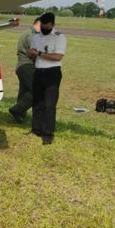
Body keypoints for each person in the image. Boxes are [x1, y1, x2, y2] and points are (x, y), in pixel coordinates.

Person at [27, 12, 66, 145]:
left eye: (47, 27)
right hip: (38, 71)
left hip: (52, 73)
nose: (44, 29)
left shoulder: (59, 37)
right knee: (37, 102)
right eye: (42, 26)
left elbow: (57, 57)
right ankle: (36, 129)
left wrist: (38, 53)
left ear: (53, 25)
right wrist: (31, 54)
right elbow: (32, 54)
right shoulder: (36, 37)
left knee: (49, 105)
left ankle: (48, 133)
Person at [9, 17, 41, 123]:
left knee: (24, 91)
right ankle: (17, 110)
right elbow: (34, 54)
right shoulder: (32, 35)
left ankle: (19, 116)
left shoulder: (27, 33)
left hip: (21, 66)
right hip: (27, 65)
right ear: (38, 24)